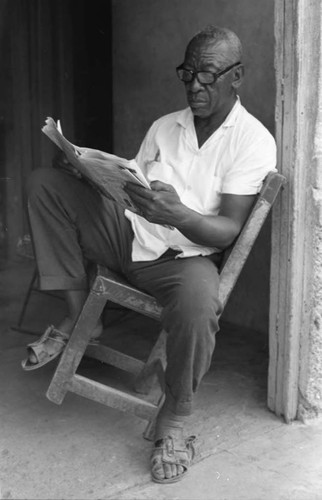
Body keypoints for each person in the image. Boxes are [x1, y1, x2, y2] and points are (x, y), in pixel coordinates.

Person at [22, 25, 276, 483]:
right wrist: (85, 172)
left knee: (201, 306)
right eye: (188, 72)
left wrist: (179, 215)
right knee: (46, 184)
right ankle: (83, 317)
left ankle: (175, 422)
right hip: (130, 236)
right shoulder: (166, 125)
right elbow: (129, 188)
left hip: (183, 261)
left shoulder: (252, 141)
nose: (194, 85)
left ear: (236, 76)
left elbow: (227, 231)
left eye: (208, 75)